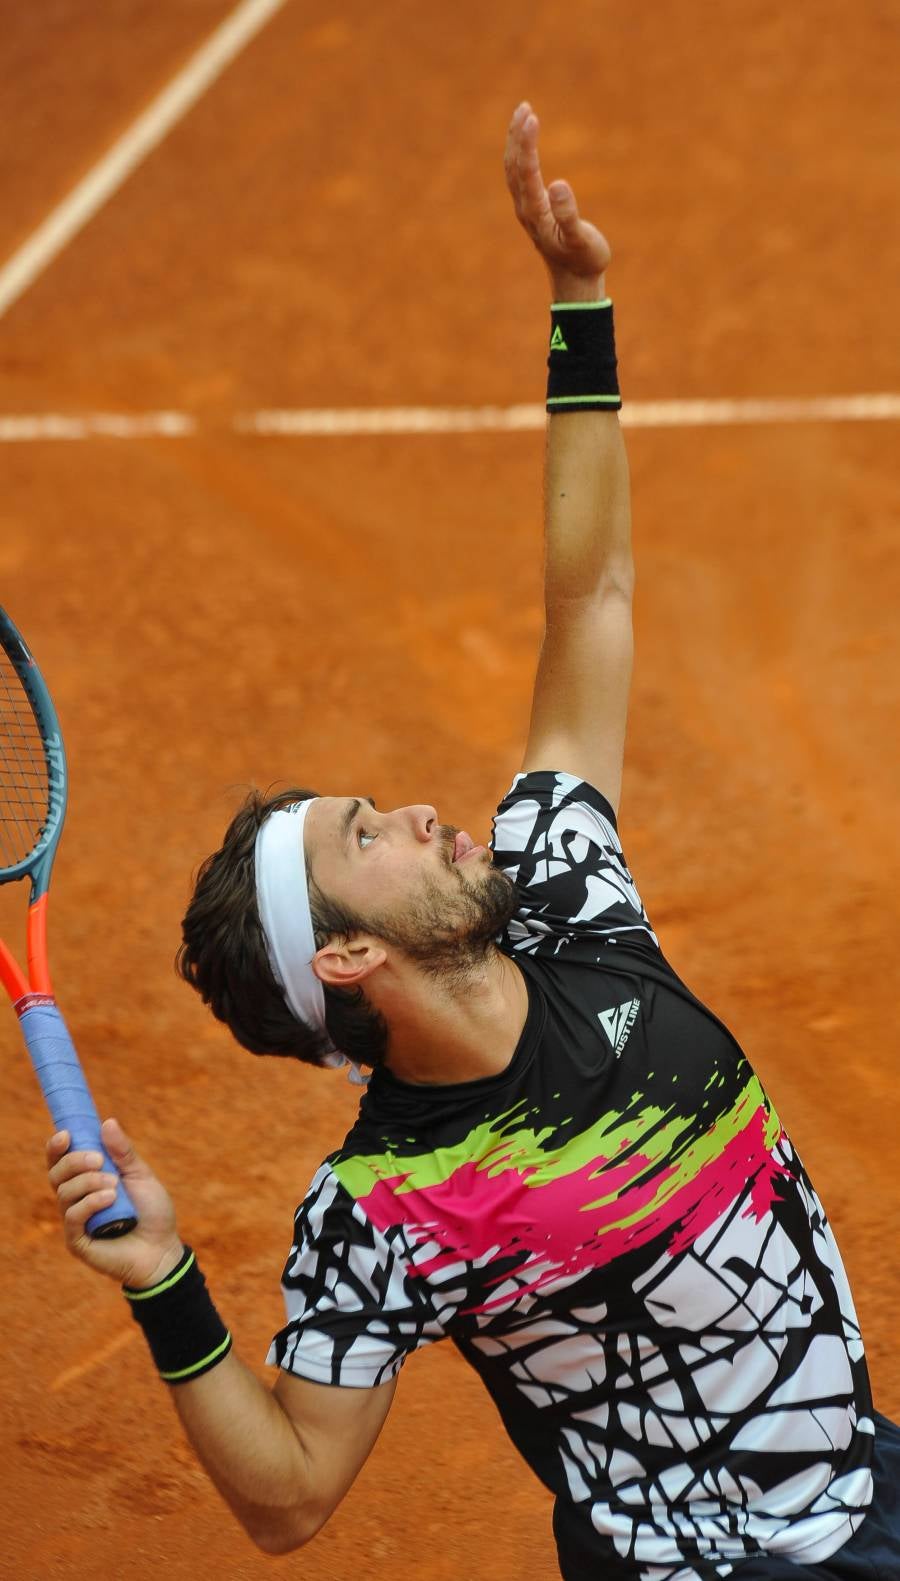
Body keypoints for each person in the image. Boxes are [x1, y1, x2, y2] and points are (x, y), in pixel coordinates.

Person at [46, 102, 899, 1581]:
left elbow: (596, 603)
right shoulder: (381, 1209)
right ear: (353, 951)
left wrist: (581, 310)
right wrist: (165, 1275)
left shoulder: (566, 893)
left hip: (865, 1484)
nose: (426, 811)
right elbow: (289, 1494)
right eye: (369, 834)